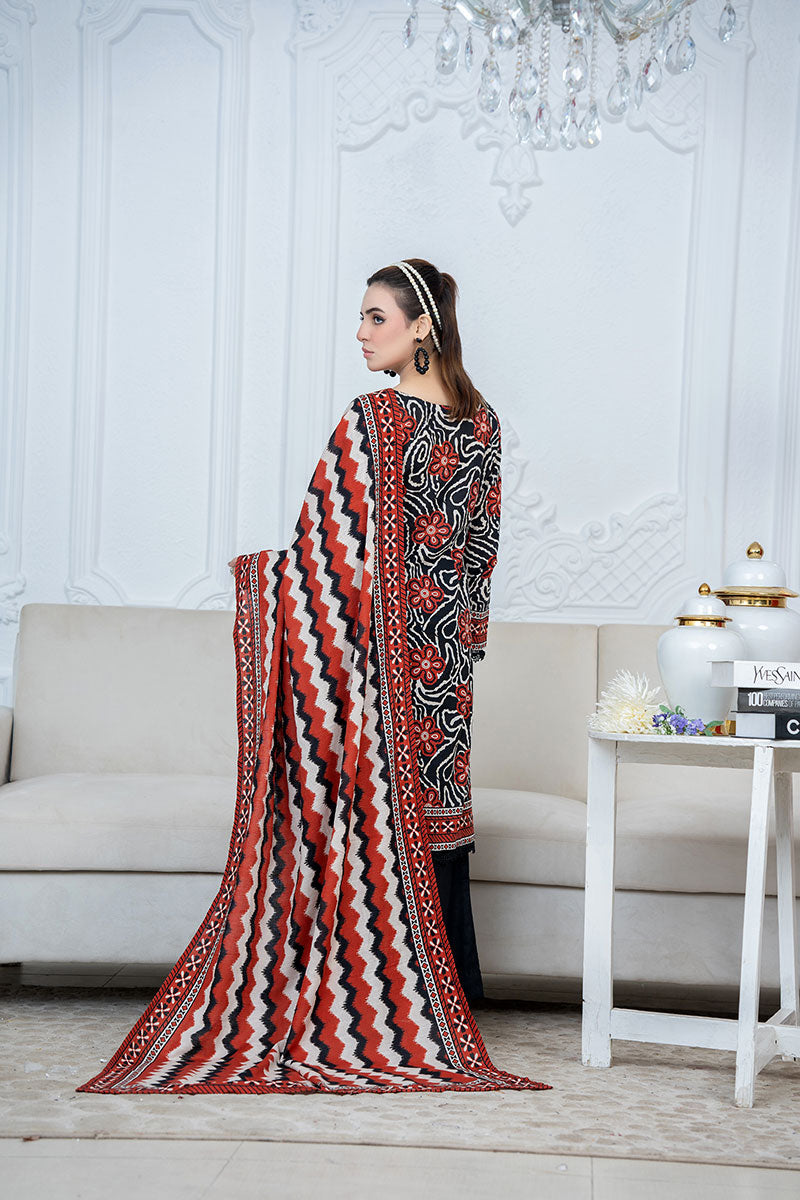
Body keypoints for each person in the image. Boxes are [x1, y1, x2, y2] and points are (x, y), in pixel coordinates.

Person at [78, 259, 549, 1097]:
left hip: (373, 676)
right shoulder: (484, 426)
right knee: (433, 814)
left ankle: (380, 996)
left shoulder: (373, 419)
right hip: (443, 668)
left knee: (379, 814)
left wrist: (263, 584)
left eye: (376, 318)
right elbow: (482, 555)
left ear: (422, 327)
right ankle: (447, 1000)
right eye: (361, 318)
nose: (360, 333)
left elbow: (317, 560)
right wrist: (459, 649)